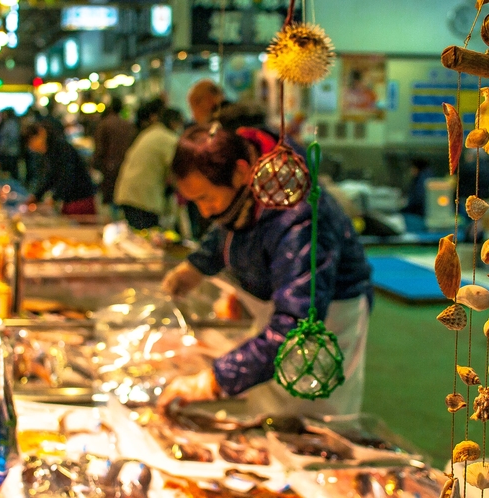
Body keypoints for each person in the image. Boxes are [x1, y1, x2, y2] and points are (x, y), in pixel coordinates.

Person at [158, 126, 373, 417]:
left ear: (240, 172)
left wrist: (216, 379)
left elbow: (296, 323)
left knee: (314, 423)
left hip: (326, 324)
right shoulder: (248, 191)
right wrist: (197, 266)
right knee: (269, 414)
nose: (205, 212)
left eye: (207, 198)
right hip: (278, 320)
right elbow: (229, 229)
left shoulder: (297, 212)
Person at [114, 100, 179, 230]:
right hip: (143, 198)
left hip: (128, 193)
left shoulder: (149, 133)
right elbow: (176, 170)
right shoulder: (169, 139)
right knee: (145, 241)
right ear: (174, 123)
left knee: (136, 238)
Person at [21, 121, 98, 215]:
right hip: (69, 201)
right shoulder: (50, 151)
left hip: (79, 201)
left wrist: (54, 198)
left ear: (41, 133)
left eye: (32, 142)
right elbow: (50, 177)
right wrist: (36, 196)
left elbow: (67, 175)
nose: (32, 147)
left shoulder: (61, 148)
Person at [92, 98, 137, 213]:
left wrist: (95, 166)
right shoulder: (128, 125)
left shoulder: (104, 124)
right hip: (127, 167)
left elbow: (100, 150)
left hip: (109, 169)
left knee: (110, 205)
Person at [0, 108, 21, 181]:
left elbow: (12, 137)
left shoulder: (10, 124)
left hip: (10, 152)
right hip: (9, 151)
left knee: (11, 172)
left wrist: (4, 147)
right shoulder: (9, 123)